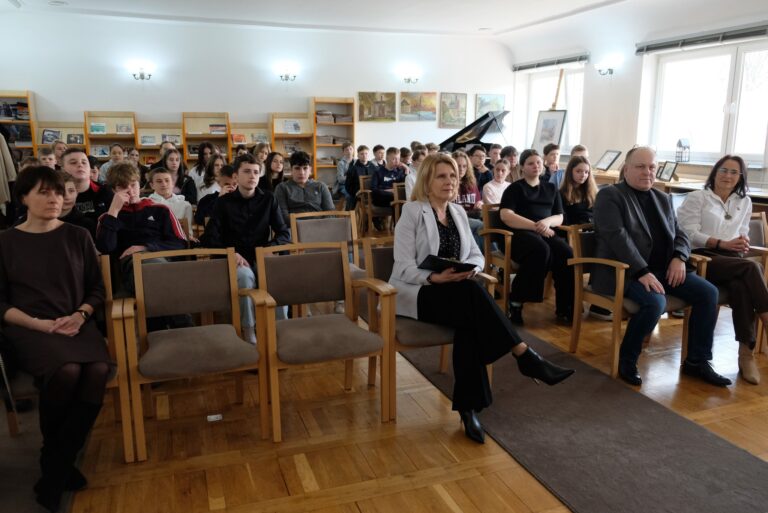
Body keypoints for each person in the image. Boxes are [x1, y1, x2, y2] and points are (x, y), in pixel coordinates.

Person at [390, 153, 573, 444]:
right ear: (426, 180)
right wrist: (436, 277)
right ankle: (524, 355)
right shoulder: (413, 212)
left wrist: (469, 269)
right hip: (422, 292)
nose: (449, 181)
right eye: (441, 176)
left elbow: (476, 255)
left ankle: (468, 409)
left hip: (458, 291)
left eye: (453, 176)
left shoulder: (459, 213)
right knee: (473, 295)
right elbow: (401, 266)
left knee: (469, 320)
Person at [0, 166, 112, 511]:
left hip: (76, 322)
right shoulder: (5, 241)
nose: (54, 199)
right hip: (28, 327)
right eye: (43, 192)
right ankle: (59, 465)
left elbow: (96, 288)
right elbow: (0, 303)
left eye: (58, 192)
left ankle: (54, 463)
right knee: (66, 372)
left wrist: (80, 315)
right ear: (23, 198)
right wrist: (39, 325)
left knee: (96, 369)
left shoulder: (78, 235)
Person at [592, 146, 730, 387]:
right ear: (626, 169)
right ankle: (627, 358)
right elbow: (617, 237)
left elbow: (682, 234)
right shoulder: (610, 195)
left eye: (652, 167)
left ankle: (697, 362)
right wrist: (642, 271)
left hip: (665, 269)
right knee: (655, 302)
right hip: (623, 271)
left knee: (708, 293)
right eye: (640, 166)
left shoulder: (663, 198)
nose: (648, 172)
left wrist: (679, 257)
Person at [676, 155, 767, 385]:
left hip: (733, 261)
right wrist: (720, 243)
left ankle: (745, 355)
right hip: (702, 257)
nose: (727, 176)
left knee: (741, 287)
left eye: (733, 172)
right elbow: (687, 234)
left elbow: (742, 230)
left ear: (740, 177)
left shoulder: (743, 202)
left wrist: (742, 240)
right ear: (715, 172)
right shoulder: (698, 198)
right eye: (723, 170)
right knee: (752, 268)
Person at [200, 153, 291, 343]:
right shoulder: (223, 202)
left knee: (277, 273)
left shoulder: (269, 199)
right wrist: (230, 254)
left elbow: (283, 233)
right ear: (235, 176)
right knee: (244, 277)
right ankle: (248, 330)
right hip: (236, 257)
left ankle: (280, 328)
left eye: (256, 172)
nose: (252, 176)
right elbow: (209, 238)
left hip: (261, 253)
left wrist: (269, 249)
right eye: (247, 171)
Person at [499, 149, 574, 325]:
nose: (536, 166)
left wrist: (546, 223)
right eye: (531, 163)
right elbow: (506, 215)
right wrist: (536, 226)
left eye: (538, 162)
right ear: (522, 167)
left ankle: (566, 306)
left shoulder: (550, 187)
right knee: (541, 250)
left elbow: (560, 216)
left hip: (545, 231)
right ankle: (516, 301)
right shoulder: (515, 188)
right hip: (519, 234)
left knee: (567, 253)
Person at [95, 162, 187, 291]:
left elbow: (180, 243)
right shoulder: (107, 217)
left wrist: (145, 247)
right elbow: (105, 248)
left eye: (133, 185)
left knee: (158, 272)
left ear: (139, 184)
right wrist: (114, 211)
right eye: (122, 187)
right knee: (152, 273)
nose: (130, 191)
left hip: (161, 259)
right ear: (114, 190)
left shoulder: (161, 210)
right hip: (129, 268)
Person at [274, 151, 334, 221]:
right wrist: (303, 226)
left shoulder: (321, 186)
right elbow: (282, 215)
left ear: (310, 170)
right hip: (293, 228)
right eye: (297, 168)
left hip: (319, 226)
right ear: (291, 170)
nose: (301, 172)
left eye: (305, 168)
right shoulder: (282, 188)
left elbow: (330, 213)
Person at [61, 148, 113, 226]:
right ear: (63, 169)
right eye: (73, 162)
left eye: (84, 162)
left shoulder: (105, 191)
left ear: (89, 168)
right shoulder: (56, 195)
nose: (80, 165)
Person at [147, 168, 194, 239]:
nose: (164, 184)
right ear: (152, 185)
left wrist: (189, 237)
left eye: (167, 180)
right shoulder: (146, 204)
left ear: (172, 183)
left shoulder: (185, 205)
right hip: (154, 242)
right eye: (159, 181)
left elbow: (188, 231)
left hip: (178, 242)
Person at [560, 156, 597, 226]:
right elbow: (564, 221)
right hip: (575, 232)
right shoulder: (562, 194)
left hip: (593, 230)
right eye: (578, 171)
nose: (583, 175)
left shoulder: (592, 192)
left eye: (586, 172)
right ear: (570, 172)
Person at [60, 173, 96, 237]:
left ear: (77, 193)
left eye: (71, 191)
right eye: (60, 191)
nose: (67, 196)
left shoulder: (86, 224)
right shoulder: (42, 221)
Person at [344, 145, 378, 210]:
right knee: (350, 199)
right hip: (358, 192)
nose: (364, 156)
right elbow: (348, 185)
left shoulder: (374, 167)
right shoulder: (353, 169)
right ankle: (350, 217)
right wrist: (355, 192)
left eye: (366, 154)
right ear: (358, 155)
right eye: (362, 154)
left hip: (371, 192)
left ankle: (376, 218)